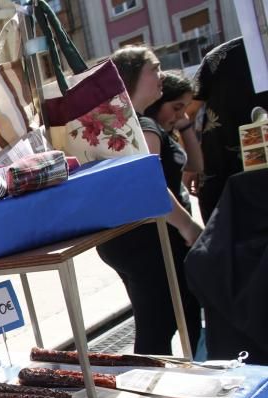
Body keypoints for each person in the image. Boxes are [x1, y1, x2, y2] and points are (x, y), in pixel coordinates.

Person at [96, 47, 204, 355]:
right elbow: (148, 184)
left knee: (161, 323)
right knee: (160, 326)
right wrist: (189, 227)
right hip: (151, 240)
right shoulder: (141, 127)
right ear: (131, 76)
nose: (160, 75)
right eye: (153, 69)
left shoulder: (123, 124)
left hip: (131, 239)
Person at [189, 37, 268, 222]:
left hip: (224, 178)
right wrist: (192, 162)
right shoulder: (218, 57)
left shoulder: (218, 56)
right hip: (222, 174)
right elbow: (187, 110)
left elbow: (187, 111)